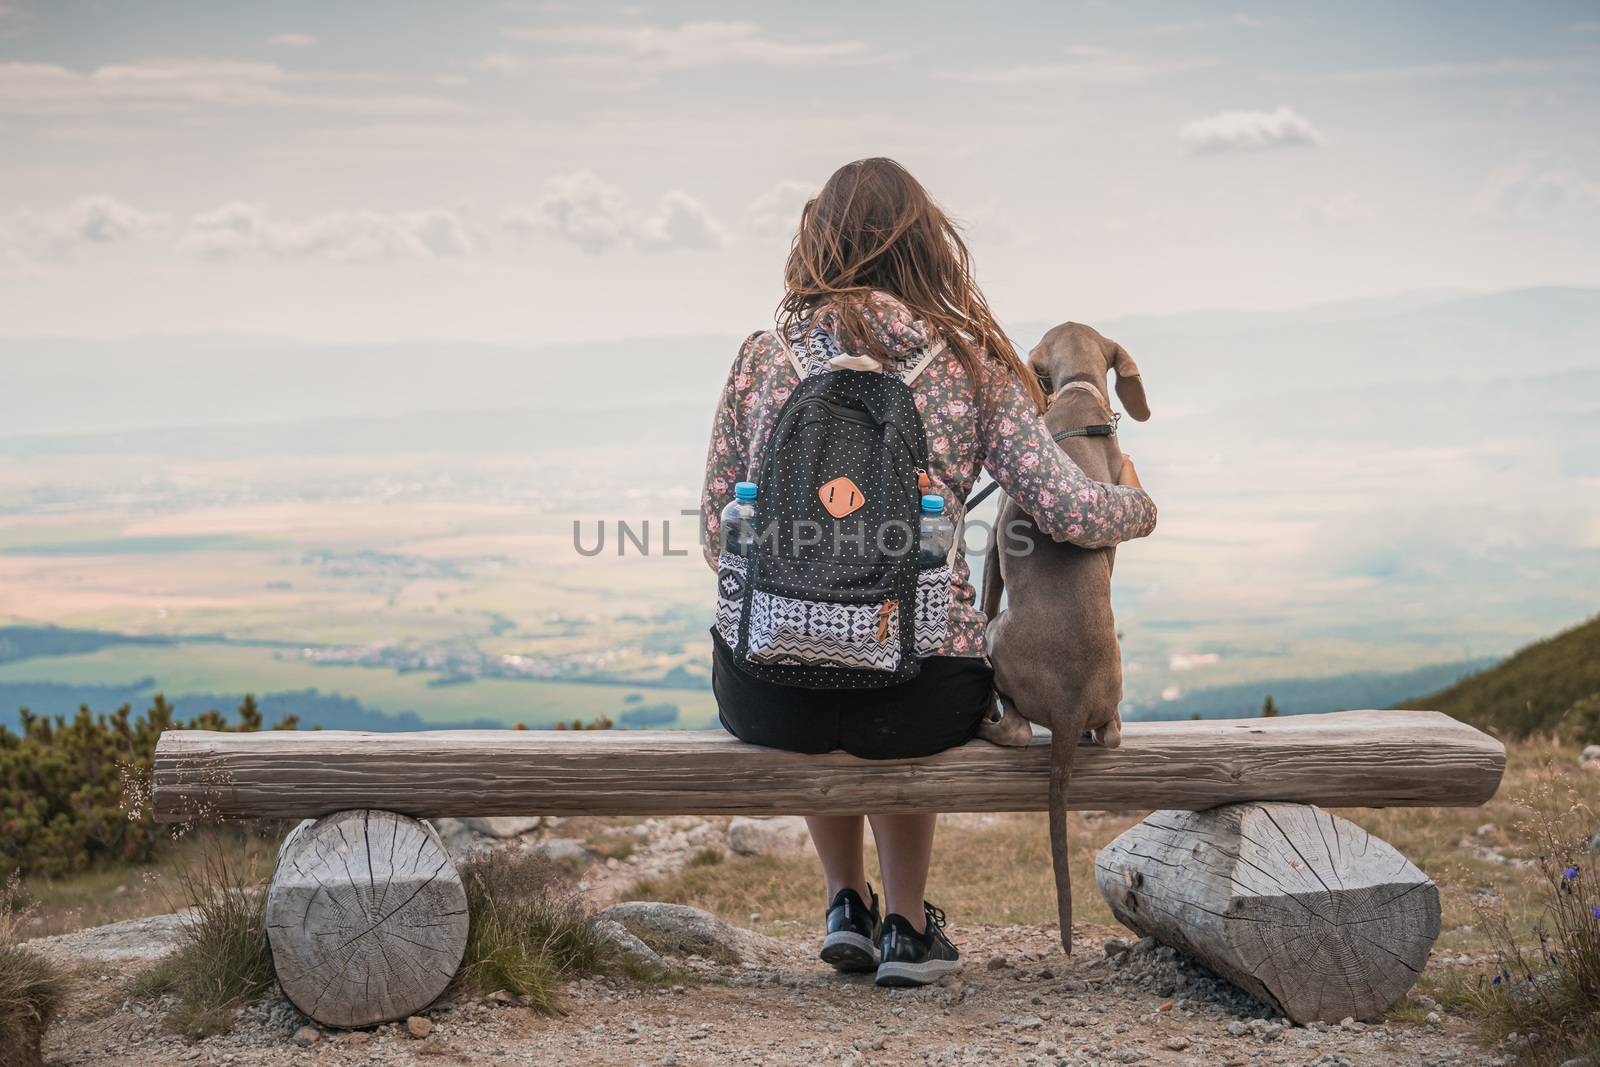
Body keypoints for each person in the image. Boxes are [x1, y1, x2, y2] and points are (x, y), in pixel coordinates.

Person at [700, 157, 1156, 987]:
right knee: (902, 671)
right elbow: (1071, 513)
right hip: (917, 698)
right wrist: (1141, 503)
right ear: (930, 249)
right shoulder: (971, 364)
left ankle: (846, 904)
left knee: (804, 650)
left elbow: (713, 534)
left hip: (767, 693)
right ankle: (907, 928)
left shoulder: (761, 360)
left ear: (817, 243)